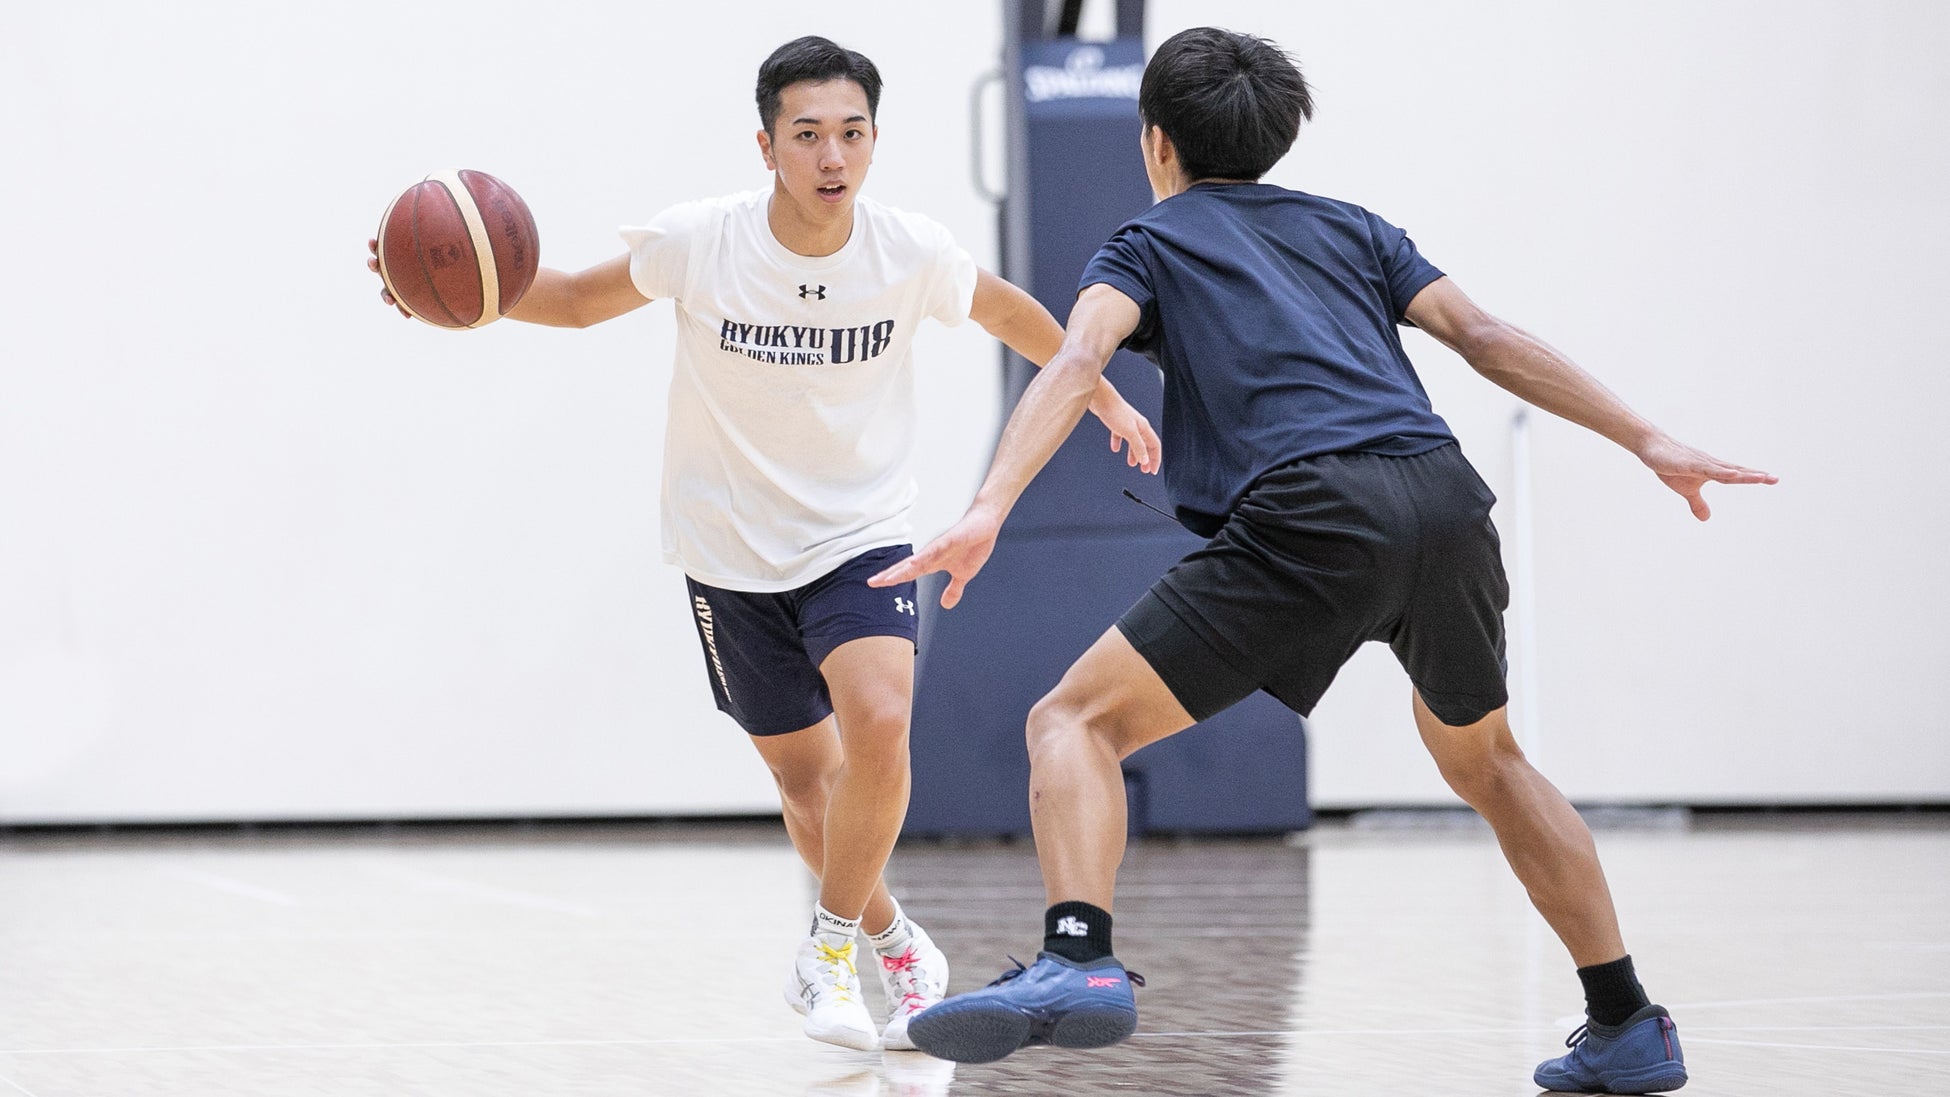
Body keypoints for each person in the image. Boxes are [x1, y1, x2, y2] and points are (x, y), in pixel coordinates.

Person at [871, 26, 1775, 1092]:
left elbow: (1078, 357)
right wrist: (1647, 437)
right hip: (1443, 499)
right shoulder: (1354, 228)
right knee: (1489, 761)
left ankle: (1077, 955)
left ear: (1156, 143)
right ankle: (1627, 1019)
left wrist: (988, 505)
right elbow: (1484, 336)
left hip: (1313, 509)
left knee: (1072, 721)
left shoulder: (1145, 244)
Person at [368, 35, 1159, 1053]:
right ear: (767, 145)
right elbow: (570, 300)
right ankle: (892, 938)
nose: (833, 156)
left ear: (874, 140)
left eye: (853, 133)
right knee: (808, 784)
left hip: (861, 533)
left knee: (880, 723)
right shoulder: (702, 241)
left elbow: (1011, 314)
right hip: (730, 548)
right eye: (809, 134)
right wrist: (455, 287)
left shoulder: (909, 251)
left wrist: (1100, 395)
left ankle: (825, 950)